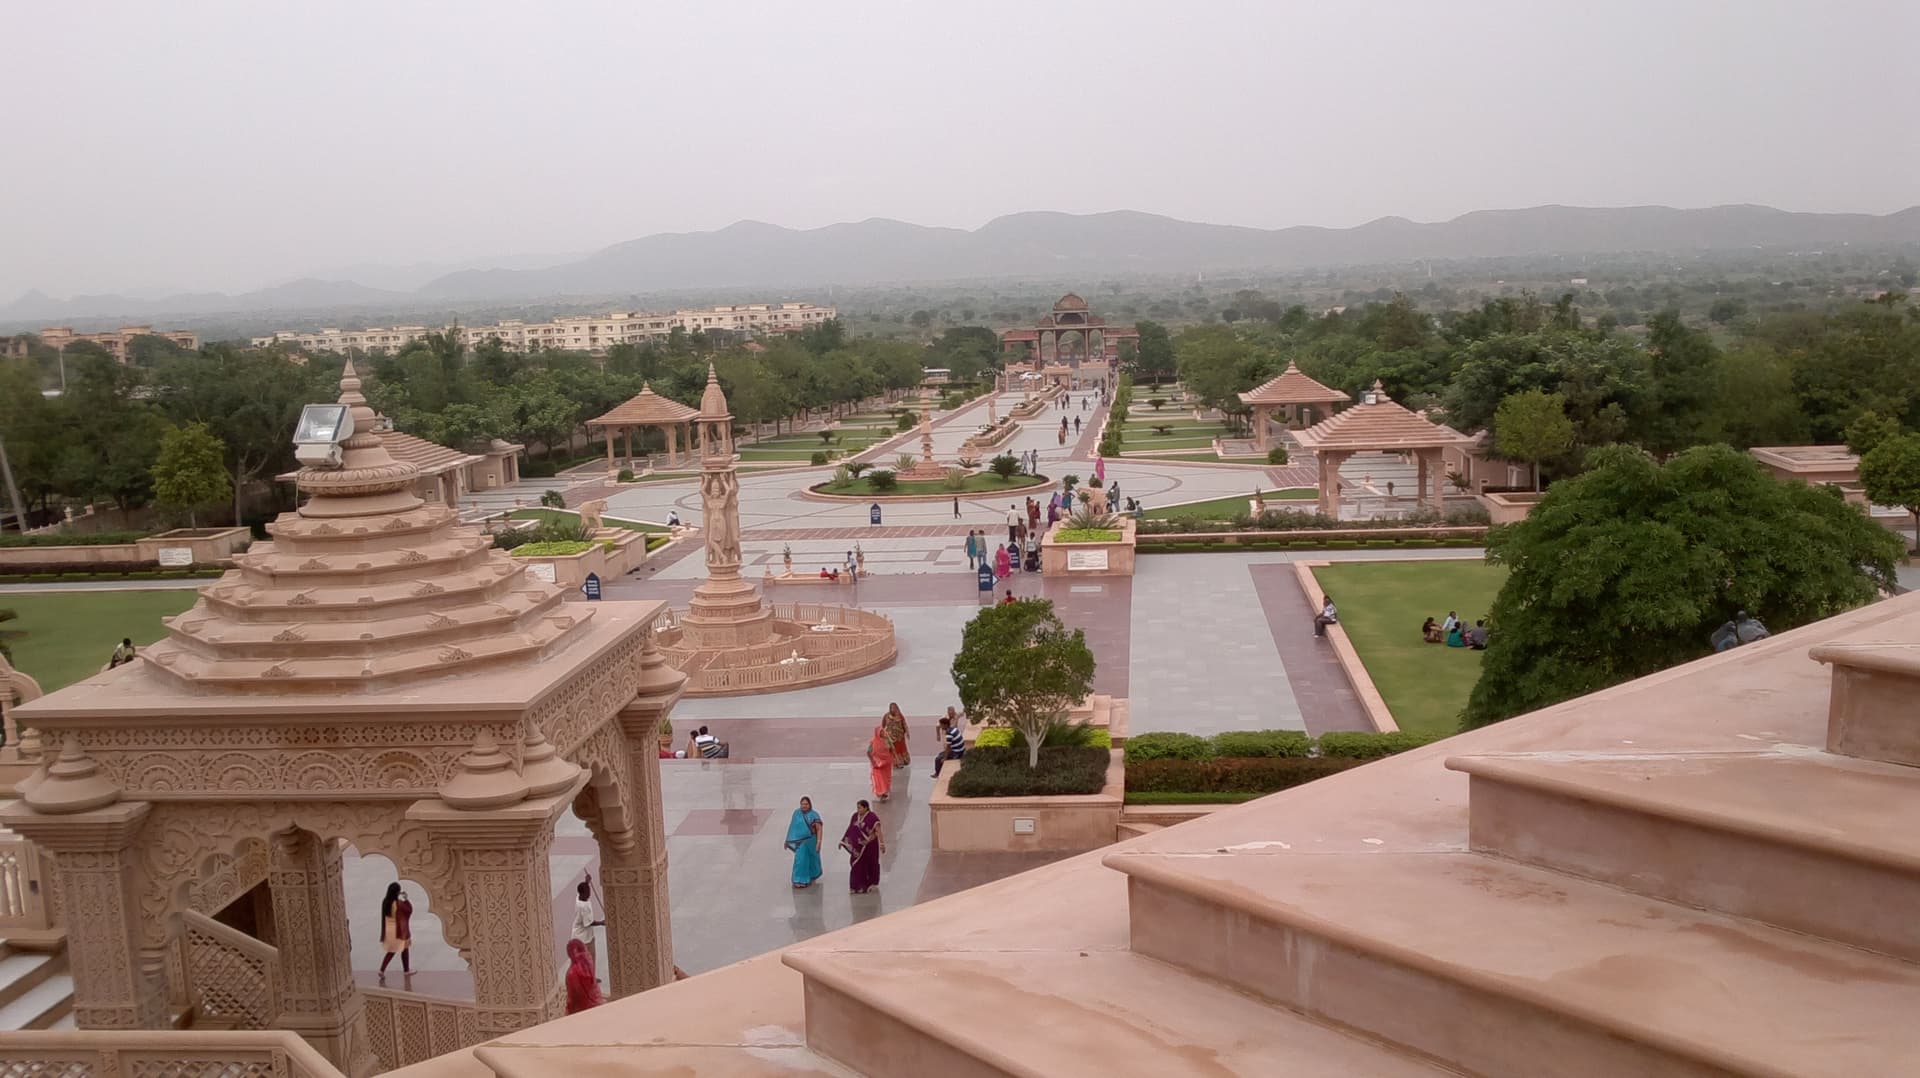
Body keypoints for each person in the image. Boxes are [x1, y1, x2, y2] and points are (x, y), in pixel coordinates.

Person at [840, 800, 884, 894]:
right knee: (856, 864)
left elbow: (878, 831)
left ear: (866, 807)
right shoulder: (855, 816)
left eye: (860, 807)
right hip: (858, 847)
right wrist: (843, 841)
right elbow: (850, 829)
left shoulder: (872, 817)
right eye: (857, 808)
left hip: (870, 846)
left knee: (870, 864)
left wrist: (881, 843)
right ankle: (855, 886)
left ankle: (870, 884)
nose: (858, 810)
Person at [785, 796, 824, 889]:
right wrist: (788, 840)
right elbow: (793, 828)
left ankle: (811, 875)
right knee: (800, 860)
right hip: (800, 842)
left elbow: (819, 829)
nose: (804, 806)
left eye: (806, 804)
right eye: (802, 804)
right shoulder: (796, 813)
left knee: (812, 859)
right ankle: (799, 880)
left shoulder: (814, 815)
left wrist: (819, 842)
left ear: (810, 804)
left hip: (811, 841)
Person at [378, 882, 412, 977]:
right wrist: (406, 899)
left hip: (389, 930)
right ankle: (406, 971)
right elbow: (409, 910)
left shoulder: (385, 902)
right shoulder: (398, 904)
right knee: (403, 949)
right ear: (397, 893)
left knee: (393, 950)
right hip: (399, 930)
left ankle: (382, 970)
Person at [565, 939, 604, 1014]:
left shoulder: (572, 973)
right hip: (596, 1004)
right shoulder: (588, 961)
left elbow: (575, 998)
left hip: (581, 1010)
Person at [932, 708, 967, 778]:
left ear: (945, 725)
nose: (941, 727)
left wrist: (945, 758)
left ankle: (937, 773)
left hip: (957, 752)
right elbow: (937, 726)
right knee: (940, 754)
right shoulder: (953, 729)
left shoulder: (949, 733)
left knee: (938, 759)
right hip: (960, 749)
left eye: (942, 725)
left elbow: (948, 747)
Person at [571, 876, 604, 945]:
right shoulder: (583, 907)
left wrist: (587, 882)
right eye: (587, 892)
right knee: (589, 955)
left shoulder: (579, 896)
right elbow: (589, 923)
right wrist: (601, 923)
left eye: (589, 891)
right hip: (582, 939)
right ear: (582, 893)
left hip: (587, 936)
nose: (589, 894)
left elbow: (584, 888)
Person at [865, 723, 895, 801]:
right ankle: (881, 792)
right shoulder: (873, 742)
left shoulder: (888, 740)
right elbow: (868, 752)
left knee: (886, 779)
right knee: (879, 779)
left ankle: (885, 792)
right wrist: (873, 761)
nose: (883, 733)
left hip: (887, 763)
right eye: (881, 732)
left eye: (883, 731)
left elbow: (892, 749)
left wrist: (893, 758)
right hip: (877, 764)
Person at [882, 703, 910, 767]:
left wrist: (907, 732)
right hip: (891, 737)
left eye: (894, 708)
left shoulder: (900, 715)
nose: (893, 709)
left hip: (900, 737)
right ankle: (894, 761)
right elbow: (883, 725)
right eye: (892, 708)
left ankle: (903, 760)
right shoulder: (886, 716)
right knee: (893, 749)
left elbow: (904, 724)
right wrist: (883, 734)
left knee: (901, 748)